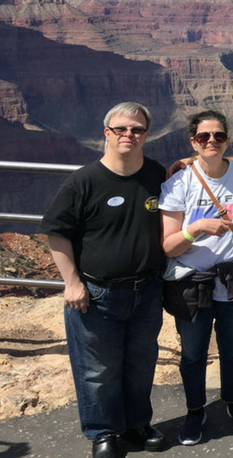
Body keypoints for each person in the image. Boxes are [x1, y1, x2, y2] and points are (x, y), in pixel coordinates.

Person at [39, 102, 166, 458]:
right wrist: (72, 283)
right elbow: (56, 233)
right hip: (97, 294)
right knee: (97, 370)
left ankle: (137, 424)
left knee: (141, 364)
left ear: (146, 135)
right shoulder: (83, 181)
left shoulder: (156, 174)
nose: (129, 135)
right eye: (121, 129)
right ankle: (103, 432)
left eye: (137, 129)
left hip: (147, 290)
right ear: (106, 133)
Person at [159, 110, 233, 445]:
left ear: (227, 140)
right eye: (203, 136)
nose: (211, 141)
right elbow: (168, 246)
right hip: (192, 283)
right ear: (193, 142)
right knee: (193, 353)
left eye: (219, 136)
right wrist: (197, 228)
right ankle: (195, 411)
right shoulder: (179, 183)